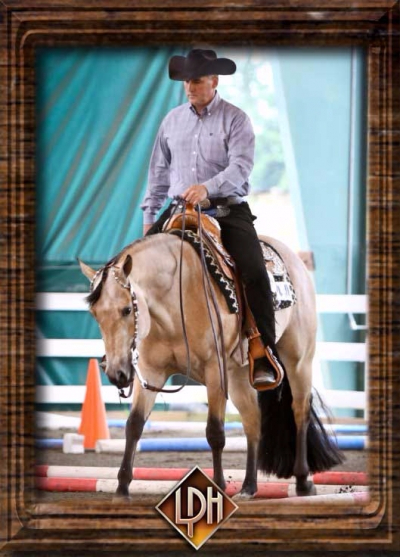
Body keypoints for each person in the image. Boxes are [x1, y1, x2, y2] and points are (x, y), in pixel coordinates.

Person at [141, 48, 284, 388]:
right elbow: (158, 174)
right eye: (186, 81)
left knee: (253, 271)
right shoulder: (171, 121)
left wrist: (206, 188)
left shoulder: (236, 119)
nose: (190, 87)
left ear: (214, 81)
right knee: (136, 271)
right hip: (179, 210)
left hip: (226, 209)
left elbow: (240, 169)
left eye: (197, 80)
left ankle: (262, 348)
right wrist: (149, 219)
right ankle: (138, 348)